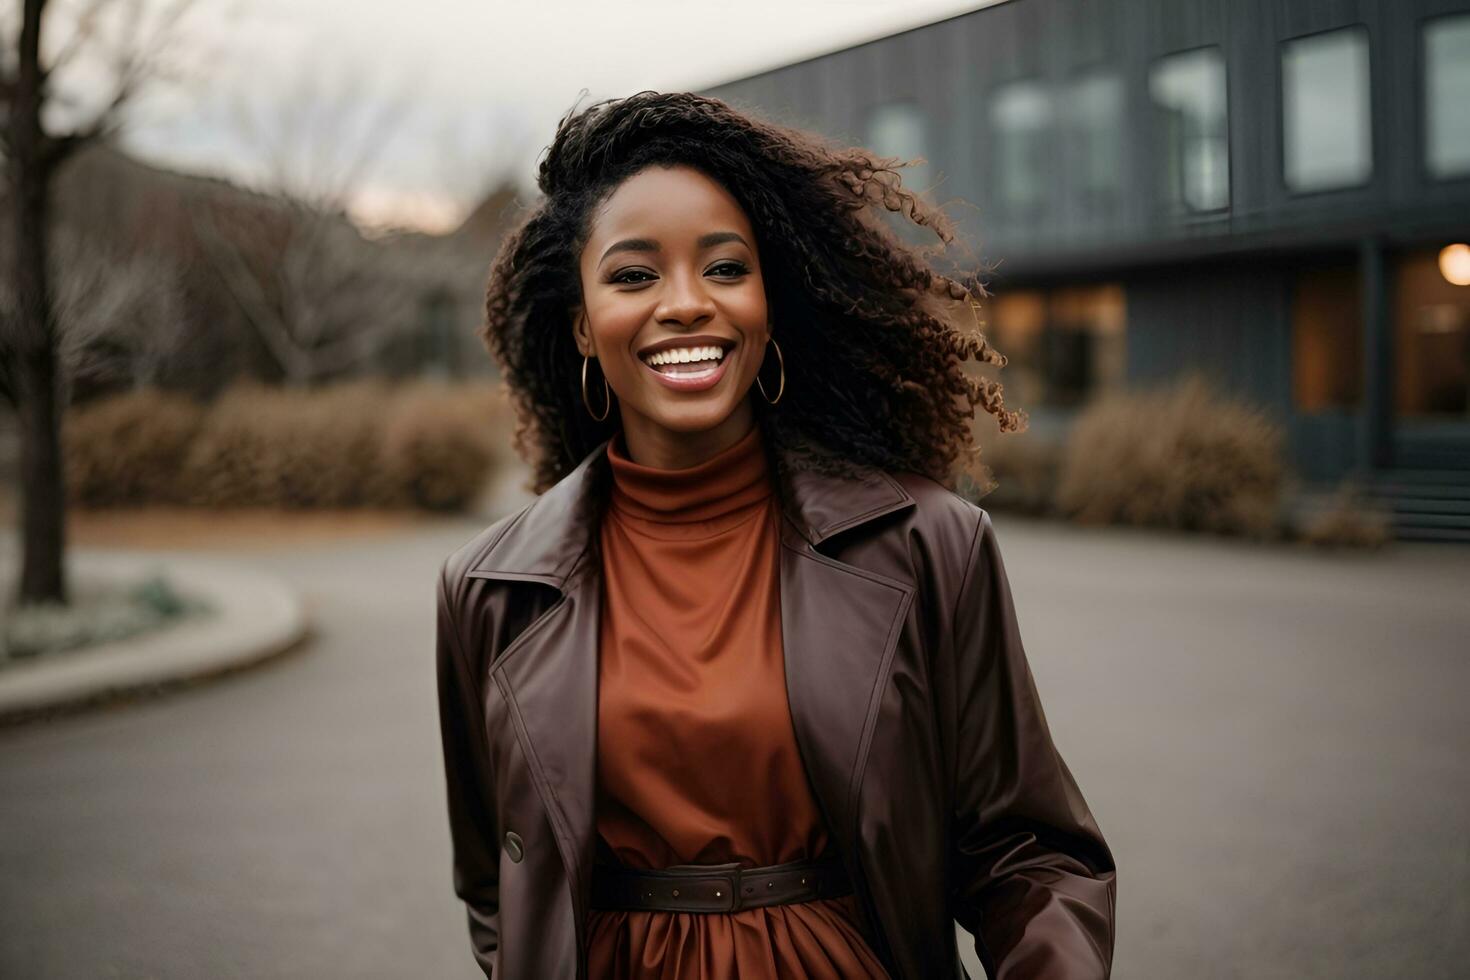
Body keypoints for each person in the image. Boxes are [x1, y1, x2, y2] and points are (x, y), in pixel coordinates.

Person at [435, 90, 1116, 979]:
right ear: (581, 328)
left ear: (769, 304)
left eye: (724, 268)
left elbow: (1028, 854)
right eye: (634, 275)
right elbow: (496, 884)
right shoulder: (488, 590)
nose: (685, 304)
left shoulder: (930, 546)